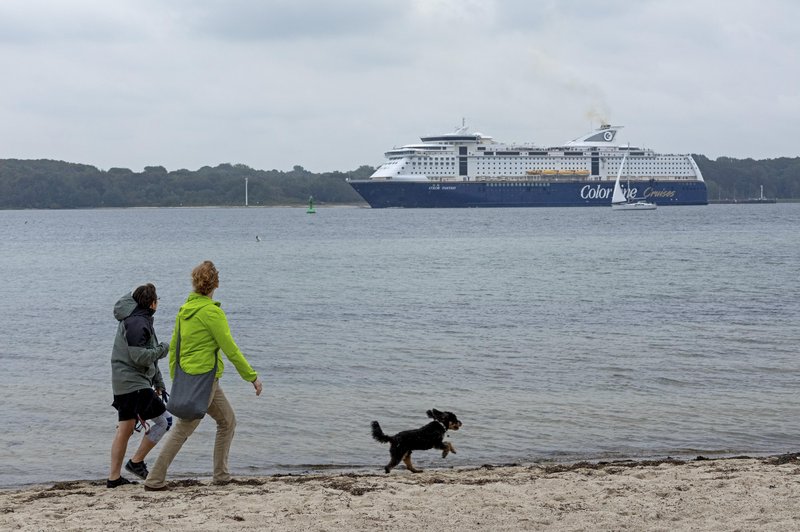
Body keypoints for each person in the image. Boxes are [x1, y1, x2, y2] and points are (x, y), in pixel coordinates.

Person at [144, 260, 263, 491]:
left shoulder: (184, 310)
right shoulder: (211, 313)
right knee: (183, 428)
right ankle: (155, 479)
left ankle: (221, 476)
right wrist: (252, 377)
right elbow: (231, 349)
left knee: (227, 421)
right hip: (204, 380)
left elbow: (175, 349)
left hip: (197, 378)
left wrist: (176, 377)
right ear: (215, 284)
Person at [108, 283, 170, 488]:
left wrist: (158, 382)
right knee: (165, 422)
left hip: (124, 383)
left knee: (124, 431)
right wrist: (164, 349)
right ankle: (136, 462)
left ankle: (114, 478)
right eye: (157, 300)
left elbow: (148, 357)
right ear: (153, 303)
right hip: (134, 385)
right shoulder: (137, 322)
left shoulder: (133, 318)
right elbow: (140, 356)